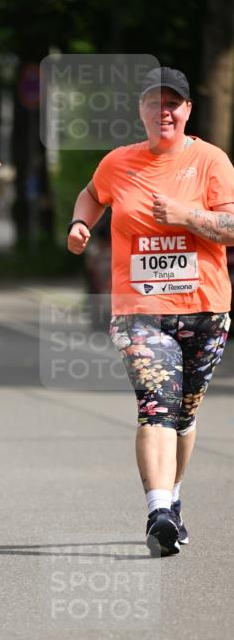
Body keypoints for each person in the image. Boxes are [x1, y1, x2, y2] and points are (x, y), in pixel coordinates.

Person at [68, 66, 234, 556]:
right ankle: (158, 509)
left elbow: (231, 227)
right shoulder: (119, 163)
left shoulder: (211, 161)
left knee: (184, 415)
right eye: (153, 103)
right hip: (140, 310)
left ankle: (174, 498)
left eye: (173, 103)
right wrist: (81, 223)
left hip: (205, 307)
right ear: (140, 111)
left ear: (187, 110)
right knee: (156, 405)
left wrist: (188, 218)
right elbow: (91, 195)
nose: (163, 111)